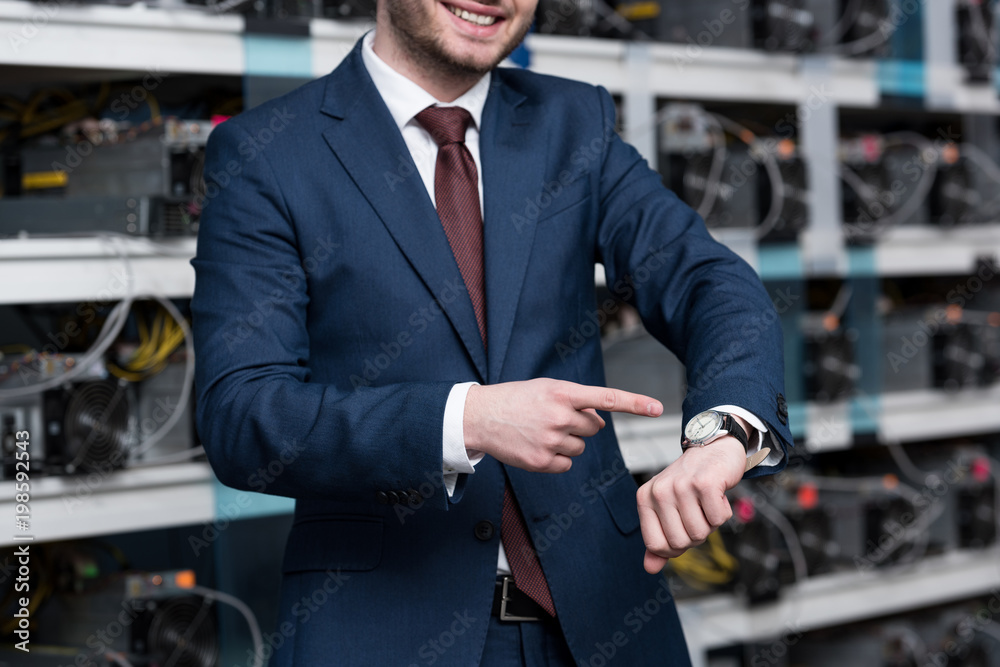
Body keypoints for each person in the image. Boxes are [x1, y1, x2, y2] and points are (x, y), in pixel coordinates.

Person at [191, 0, 794, 664]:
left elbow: (707, 280)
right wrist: (465, 419)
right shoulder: (269, 153)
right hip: (386, 629)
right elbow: (242, 414)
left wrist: (726, 432)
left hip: (602, 619)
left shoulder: (574, 125)